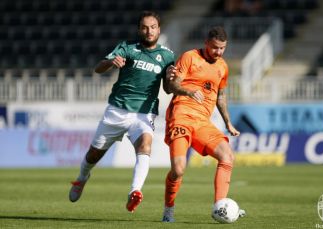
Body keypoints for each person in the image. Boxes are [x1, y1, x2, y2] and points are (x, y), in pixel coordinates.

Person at [69, 11, 175, 213]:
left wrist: (170, 78)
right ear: (139, 29)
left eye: (153, 27)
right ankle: (82, 178)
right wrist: (111, 62)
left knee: (145, 146)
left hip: (144, 114)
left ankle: (135, 192)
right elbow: (98, 68)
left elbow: (168, 89)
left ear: (159, 29)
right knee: (93, 155)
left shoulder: (167, 56)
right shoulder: (127, 47)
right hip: (117, 110)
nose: (149, 31)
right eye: (145, 27)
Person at [161, 26, 242, 222]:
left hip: (202, 122)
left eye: (222, 48)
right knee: (179, 170)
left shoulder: (222, 66)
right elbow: (172, 85)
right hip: (181, 116)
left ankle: (220, 206)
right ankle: (168, 209)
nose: (218, 52)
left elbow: (220, 97)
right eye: (215, 48)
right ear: (207, 43)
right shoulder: (190, 57)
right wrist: (188, 91)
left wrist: (228, 123)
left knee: (227, 155)